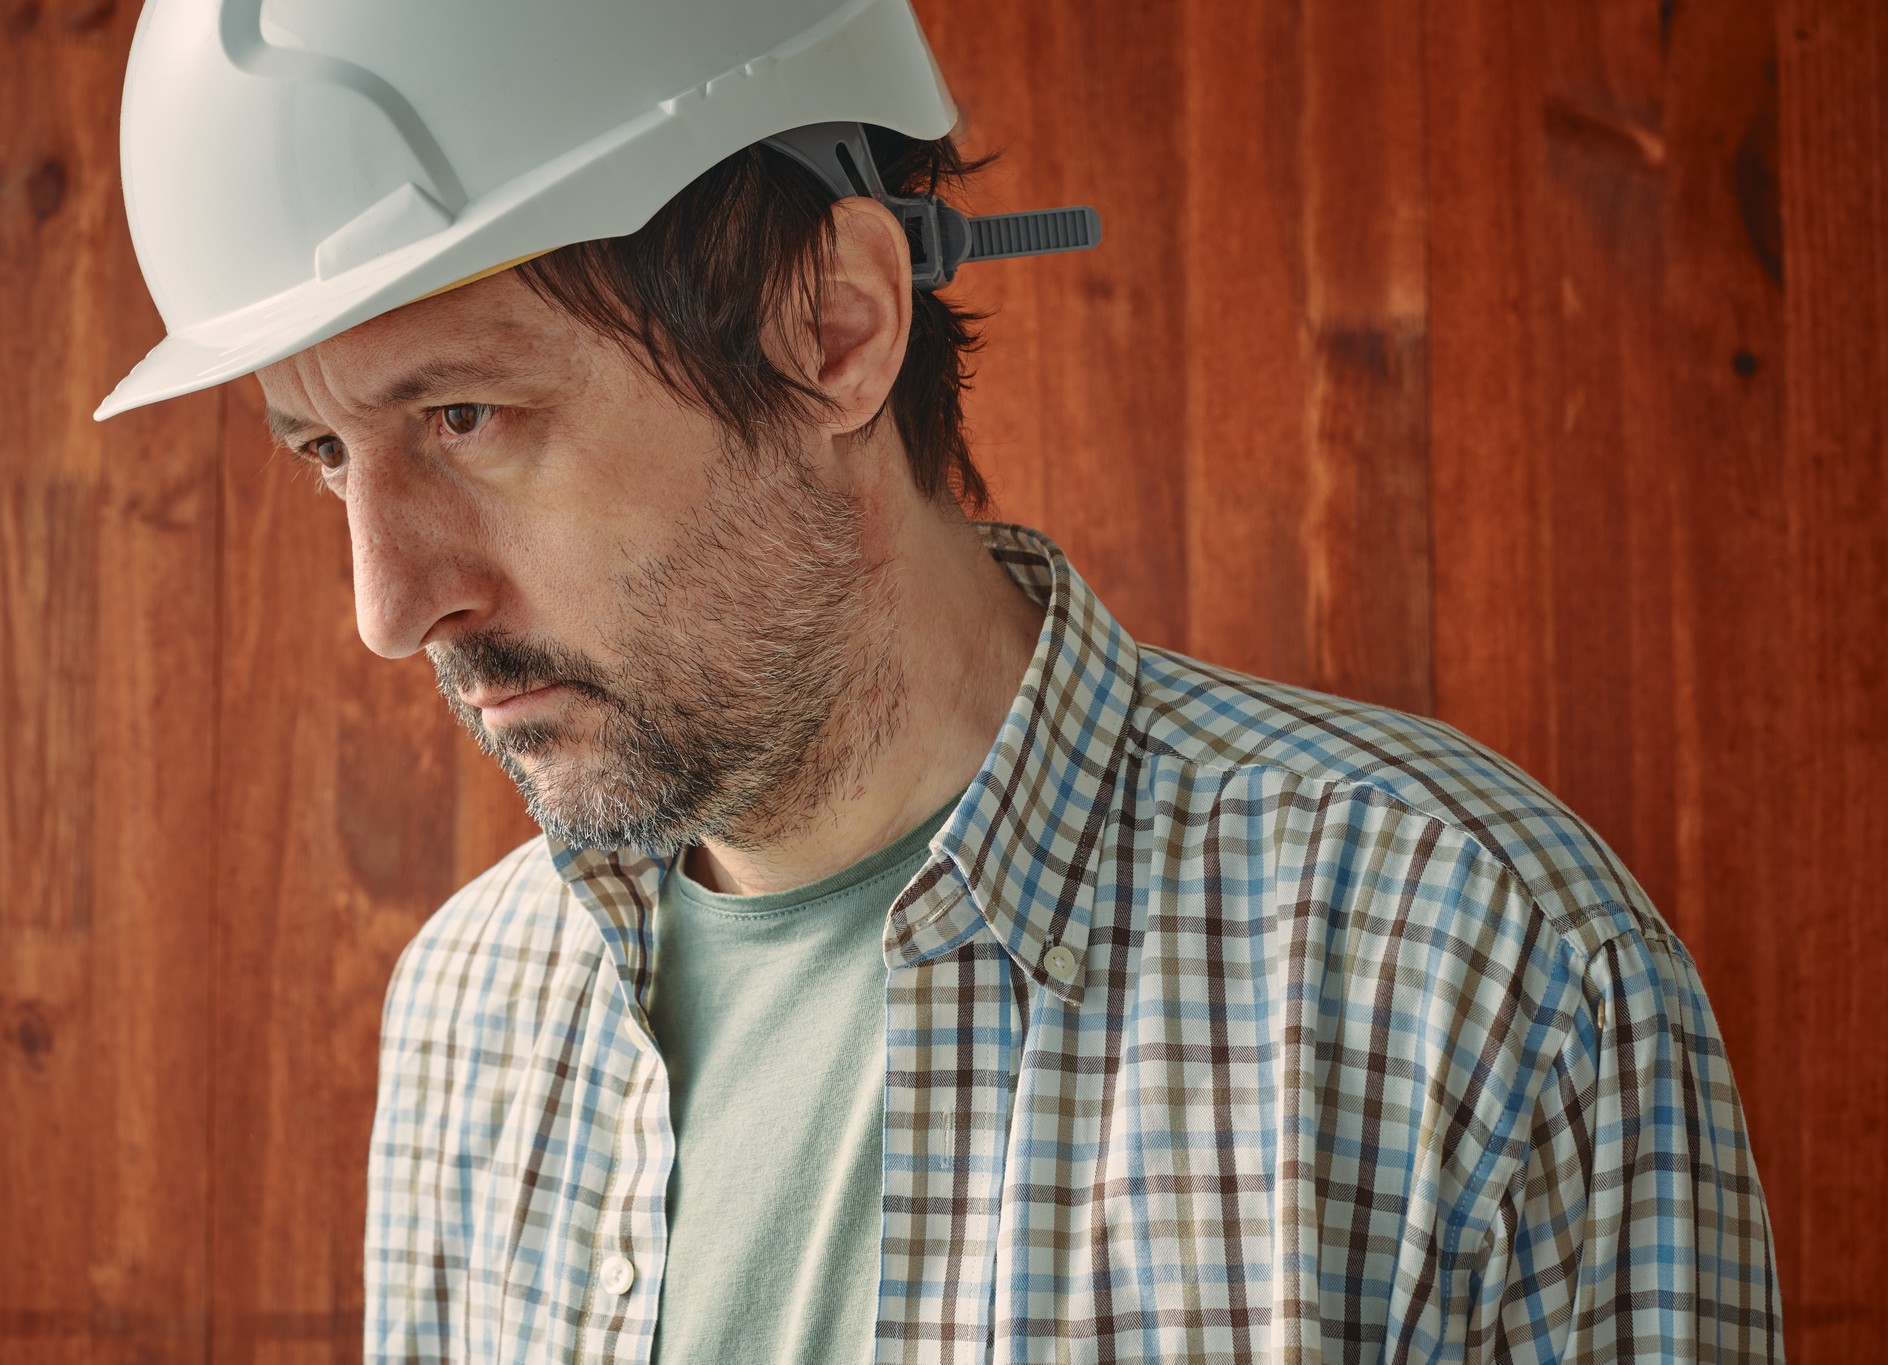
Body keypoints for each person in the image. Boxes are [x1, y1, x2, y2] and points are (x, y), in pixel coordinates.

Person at [97, 2, 1783, 1361]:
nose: (390, 605)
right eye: (328, 449)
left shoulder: (1474, 977)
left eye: (466, 417)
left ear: (833, 326)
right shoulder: (473, 1014)